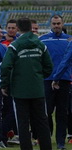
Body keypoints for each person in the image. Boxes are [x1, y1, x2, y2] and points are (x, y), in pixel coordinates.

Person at [0, 17, 53, 150]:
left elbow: (5, 66)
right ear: (31, 27)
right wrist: (39, 76)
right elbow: (49, 66)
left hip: (20, 91)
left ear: (17, 28)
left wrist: (4, 84)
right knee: (42, 121)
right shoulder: (41, 45)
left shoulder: (15, 45)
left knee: (23, 124)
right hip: (37, 90)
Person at [39, 14, 72, 150]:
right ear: (50, 25)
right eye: (54, 24)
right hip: (47, 80)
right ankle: (45, 139)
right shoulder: (43, 40)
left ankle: (60, 142)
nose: (56, 26)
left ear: (63, 24)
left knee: (62, 113)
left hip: (64, 80)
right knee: (47, 112)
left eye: (58, 23)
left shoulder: (68, 40)